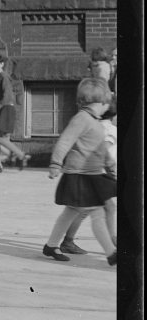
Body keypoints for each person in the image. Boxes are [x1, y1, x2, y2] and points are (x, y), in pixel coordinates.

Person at [41, 78, 117, 265]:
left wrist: (110, 164)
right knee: (97, 213)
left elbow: (100, 147)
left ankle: (51, 246)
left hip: (91, 174)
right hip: (79, 174)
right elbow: (65, 141)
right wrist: (55, 164)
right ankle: (112, 254)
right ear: (97, 102)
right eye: (104, 104)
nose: (105, 107)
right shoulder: (81, 119)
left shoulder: (95, 121)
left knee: (71, 211)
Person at [0, 55, 29, 170]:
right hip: (2, 108)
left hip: (6, 109)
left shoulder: (3, 77)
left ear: (2, 64)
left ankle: (20, 155)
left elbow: (7, 97)